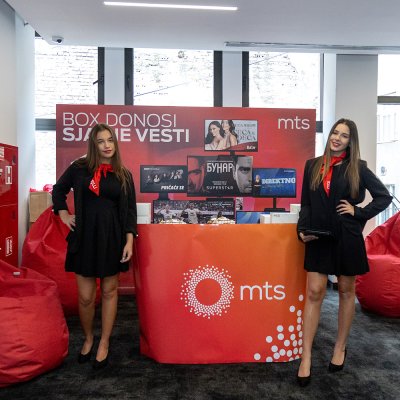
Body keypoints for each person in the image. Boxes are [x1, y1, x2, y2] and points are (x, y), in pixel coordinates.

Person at [296, 118, 392, 387]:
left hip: (347, 236)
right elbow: (306, 203)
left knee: (346, 291)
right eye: (335, 133)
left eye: (344, 135)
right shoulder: (313, 165)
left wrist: (358, 212)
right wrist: (301, 229)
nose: (337, 138)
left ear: (351, 141)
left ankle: (340, 347)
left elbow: (384, 197)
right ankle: (306, 357)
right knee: (314, 292)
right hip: (318, 236)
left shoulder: (357, 168)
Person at [52, 123, 138, 370]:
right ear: (93, 144)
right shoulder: (79, 168)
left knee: (110, 291)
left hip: (112, 238)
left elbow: (130, 211)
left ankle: (104, 342)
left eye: (110, 140)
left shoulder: (124, 174)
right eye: (101, 141)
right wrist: (63, 214)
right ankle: (89, 338)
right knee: (86, 297)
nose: (107, 145)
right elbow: (58, 190)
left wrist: (129, 240)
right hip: (85, 238)